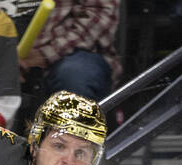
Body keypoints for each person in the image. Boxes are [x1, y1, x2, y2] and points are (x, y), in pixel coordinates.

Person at [15, 0, 119, 133]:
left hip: (68, 49)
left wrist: (45, 54)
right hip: (1, 48)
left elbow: (99, 13)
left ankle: (73, 140)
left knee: (75, 74)